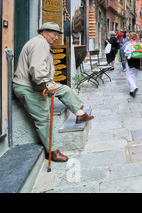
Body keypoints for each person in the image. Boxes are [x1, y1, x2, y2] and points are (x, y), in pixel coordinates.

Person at [12, 22, 94, 162]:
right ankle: (52, 151)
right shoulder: (39, 44)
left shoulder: (42, 43)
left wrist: (50, 83)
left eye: (57, 35)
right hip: (28, 87)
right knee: (43, 119)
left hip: (37, 85)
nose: (56, 38)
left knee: (65, 89)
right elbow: (37, 69)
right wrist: (48, 84)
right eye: (54, 35)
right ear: (44, 32)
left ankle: (80, 114)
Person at [124, 32, 142, 97]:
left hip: (130, 60)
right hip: (137, 60)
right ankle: (132, 91)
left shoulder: (129, 44)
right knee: (134, 75)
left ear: (130, 37)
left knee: (128, 75)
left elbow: (125, 52)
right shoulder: (140, 44)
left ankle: (134, 87)